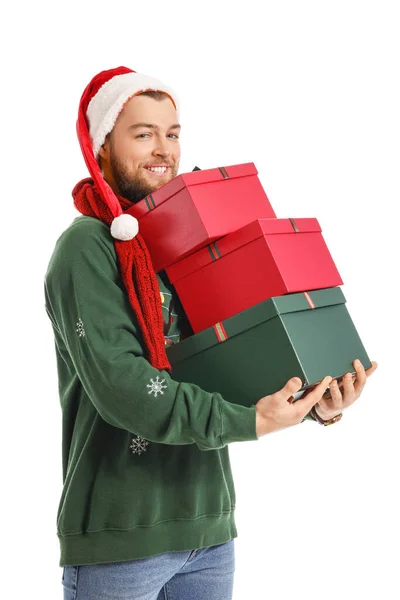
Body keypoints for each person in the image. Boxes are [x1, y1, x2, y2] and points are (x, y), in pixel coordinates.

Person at [44, 66, 378, 600]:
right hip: (121, 540)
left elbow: (229, 359)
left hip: (210, 530)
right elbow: (124, 387)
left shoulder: (180, 237)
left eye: (172, 133)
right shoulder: (87, 248)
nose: (163, 150)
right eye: (143, 133)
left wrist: (316, 398)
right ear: (102, 145)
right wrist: (251, 421)